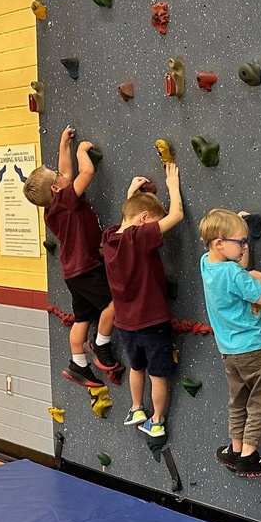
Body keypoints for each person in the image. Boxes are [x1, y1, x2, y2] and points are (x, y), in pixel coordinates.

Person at [22, 126, 122, 388]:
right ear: (57, 188)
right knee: (114, 302)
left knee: (82, 316)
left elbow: (65, 173)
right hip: (86, 267)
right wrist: (80, 151)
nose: (62, 173)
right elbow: (86, 172)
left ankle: (78, 363)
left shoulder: (53, 207)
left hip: (72, 271)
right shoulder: (67, 198)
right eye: (56, 175)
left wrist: (63, 144)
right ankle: (101, 346)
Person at [198, 207, 261, 476]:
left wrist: (238, 227)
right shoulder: (234, 275)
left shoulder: (206, 262)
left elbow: (235, 263)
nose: (244, 247)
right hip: (253, 349)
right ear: (220, 244)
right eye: (241, 243)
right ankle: (249, 455)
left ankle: (235, 449)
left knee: (238, 401)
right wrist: (258, 278)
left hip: (229, 351)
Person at [103, 164, 183, 439]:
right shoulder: (139, 237)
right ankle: (157, 419)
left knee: (137, 366)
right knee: (158, 374)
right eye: (153, 223)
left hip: (125, 323)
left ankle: (136, 407)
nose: (156, 231)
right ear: (145, 219)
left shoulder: (110, 239)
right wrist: (173, 185)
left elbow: (128, 217)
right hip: (152, 320)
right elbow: (176, 215)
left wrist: (130, 194)